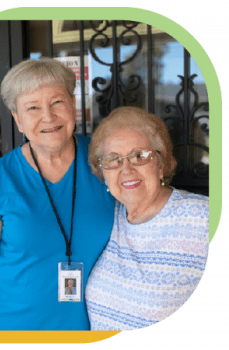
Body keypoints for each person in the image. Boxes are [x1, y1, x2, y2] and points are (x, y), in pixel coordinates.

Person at [0, 57, 115, 330]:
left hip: (97, 326)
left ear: (73, 105)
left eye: (57, 102)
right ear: (18, 120)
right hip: (12, 328)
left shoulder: (106, 161)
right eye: (32, 107)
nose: (48, 117)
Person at [85, 106, 209, 331]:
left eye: (139, 156)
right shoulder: (110, 216)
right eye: (113, 159)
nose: (126, 169)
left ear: (160, 164)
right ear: (103, 173)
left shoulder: (203, 218)